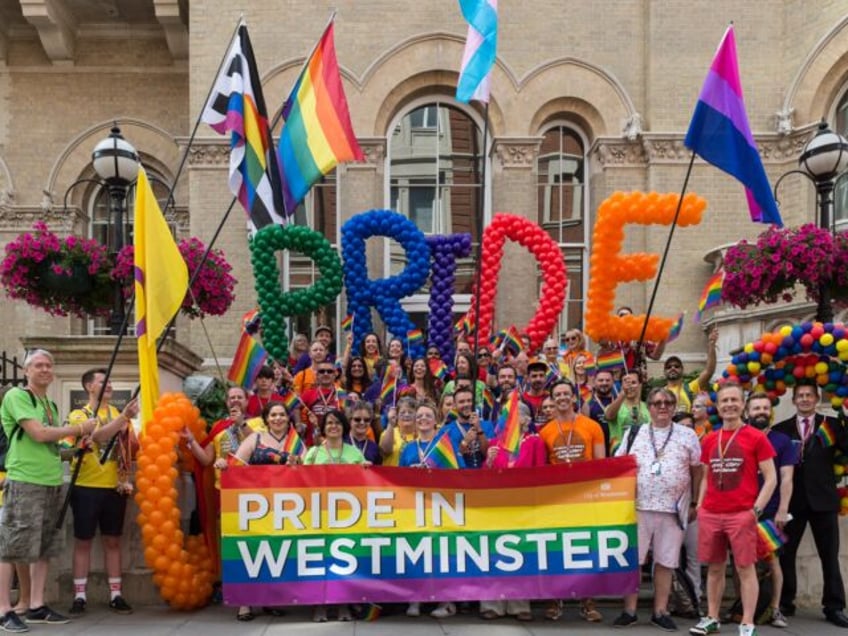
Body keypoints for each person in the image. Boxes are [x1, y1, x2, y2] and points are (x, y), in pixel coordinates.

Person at [0, 349, 98, 632]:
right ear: (26, 370)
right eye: (38, 365)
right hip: (25, 480)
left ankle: (36, 605)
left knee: (44, 547)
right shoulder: (17, 396)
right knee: (11, 547)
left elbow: (54, 446)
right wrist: (79, 428)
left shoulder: (50, 405)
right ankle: (5, 609)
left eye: (48, 365)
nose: (44, 369)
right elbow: (38, 433)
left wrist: (76, 448)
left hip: (51, 481)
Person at [690, 382, 776, 636]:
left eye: (734, 400)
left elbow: (771, 478)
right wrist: (702, 506)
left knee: (744, 568)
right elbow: (706, 476)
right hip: (712, 514)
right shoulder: (710, 439)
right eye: (724, 401)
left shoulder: (756, 437)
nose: (729, 405)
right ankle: (712, 617)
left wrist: (755, 511)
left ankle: (747, 622)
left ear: (743, 405)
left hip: (741, 514)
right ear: (717, 406)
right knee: (715, 568)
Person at [614, 388, 702, 631]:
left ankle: (660, 611)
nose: (662, 406)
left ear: (674, 407)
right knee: (633, 560)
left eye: (667, 402)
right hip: (638, 507)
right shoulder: (635, 433)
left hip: (673, 510)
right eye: (656, 403)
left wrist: (695, 502)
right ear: (649, 407)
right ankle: (629, 611)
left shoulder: (687, 435)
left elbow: (697, 469)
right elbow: (619, 464)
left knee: (666, 562)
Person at [774, 381, 848, 628]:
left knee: (829, 556)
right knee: (786, 554)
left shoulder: (832, 425)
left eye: (809, 395)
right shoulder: (781, 429)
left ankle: (834, 606)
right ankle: (785, 602)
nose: (804, 399)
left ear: (816, 399)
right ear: (794, 400)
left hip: (824, 501)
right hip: (792, 502)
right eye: (800, 396)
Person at [67, 368, 140, 616]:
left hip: (114, 486)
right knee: (83, 541)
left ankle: (116, 594)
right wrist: (124, 420)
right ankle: (79, 596)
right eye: (102, 381)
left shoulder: (117, 413)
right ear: (89, 387)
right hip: (86, 486)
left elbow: (129, 447)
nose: (108, 385)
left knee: (113, 541)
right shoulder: (80, 414)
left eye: (110, 381)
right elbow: (97, 436)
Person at [537, 379, 606, 623]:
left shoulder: (592, 426)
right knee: (556, 550)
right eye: (558, 395)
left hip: (585, 499)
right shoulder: (545, 432)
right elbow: (542, 467)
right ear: (553, 400)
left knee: (587, 550)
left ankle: (588, 603)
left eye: (566, 393)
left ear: (574, 398)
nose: (563, 398)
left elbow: (601, 465)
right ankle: (556, 602)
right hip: (558, 500)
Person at [226, 401, 300, 621]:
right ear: (267, 419)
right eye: (273, 415)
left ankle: (269, 600)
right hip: (254, 506)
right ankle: (244, 604)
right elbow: (236, 465)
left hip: (284, 508)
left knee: (275, 554)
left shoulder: (296, 442)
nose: (278, 419)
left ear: (288, 418)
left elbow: (308, 469)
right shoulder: (255, 439)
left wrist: (298, 465)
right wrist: (223, 464)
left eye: (282, 415)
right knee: (250, 552)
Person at [480, 401, 543, 622]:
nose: (507, 421)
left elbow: (541, 474)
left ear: (526, 419)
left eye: (513, 416)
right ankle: (492, 604)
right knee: (495, 554)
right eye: (505, 417)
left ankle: (520, 604)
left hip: (523, 507)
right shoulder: (496, 443)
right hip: (497, 507)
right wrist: (488, 461)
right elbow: (484, 478)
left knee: (520, 555)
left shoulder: (534, 441)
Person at [400, 399, 463, 619]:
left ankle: (446, 602)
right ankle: (416, 598)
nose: (423, 419)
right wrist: (412, 472)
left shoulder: (445, 445)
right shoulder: (408, 448)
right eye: (419, 417)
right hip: (416, 507)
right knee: (418, 552)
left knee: (442, 554)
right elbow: (397, 479)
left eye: (428, 416)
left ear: (436, 421)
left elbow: (460, 472)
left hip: (442, 505)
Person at [304, 410, 365, 623]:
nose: (333, 427)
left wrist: (367, 469)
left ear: (344, 427)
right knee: (320, 561)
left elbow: (368, 481)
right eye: (329, 423)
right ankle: (319, 606)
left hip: (347, 516)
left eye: (338, 423)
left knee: (344, 561)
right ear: (323, 427)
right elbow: (300, 481)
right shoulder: (312, 453)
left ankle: (343, 605)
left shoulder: (354, 453)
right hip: (319, 515)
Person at [745, 392, 796, 629]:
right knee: (743, 564)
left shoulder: (782, 441)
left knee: (773, 562)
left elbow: (786, 479)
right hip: (741, 510)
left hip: (770, 510)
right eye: (756, 408)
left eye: (765, 408)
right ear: (747, 412)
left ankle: (775, 609)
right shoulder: (739, 438)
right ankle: (746, 609)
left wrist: (782, 510)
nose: (761, 412)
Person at [662, 328, 718, 414]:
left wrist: (711, 345)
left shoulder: (690, 388)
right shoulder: (660, 393)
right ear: (664, 372)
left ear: (682, 370)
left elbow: (709, 371)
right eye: (669, 367)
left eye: (676, 366)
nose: (672, 368)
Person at [440, 386, 493, 468]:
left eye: (469, 401)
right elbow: (446, 462)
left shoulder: (487, 425)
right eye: (461, 402)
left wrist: (479, 430)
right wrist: (464, 443)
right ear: (454, 405)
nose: (466, 404)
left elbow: (488, 454)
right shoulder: (446, 431)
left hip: (483, 476)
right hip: (459, 477)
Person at [604, 370, 650, 452]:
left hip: (643, 453)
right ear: (621, 386)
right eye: (626, 383)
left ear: (640, 385)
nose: (629, 386)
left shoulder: (648, 407)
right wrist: (622, 394)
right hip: (620, 455)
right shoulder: (615, 406)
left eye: (633, 382)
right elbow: (609, 416)